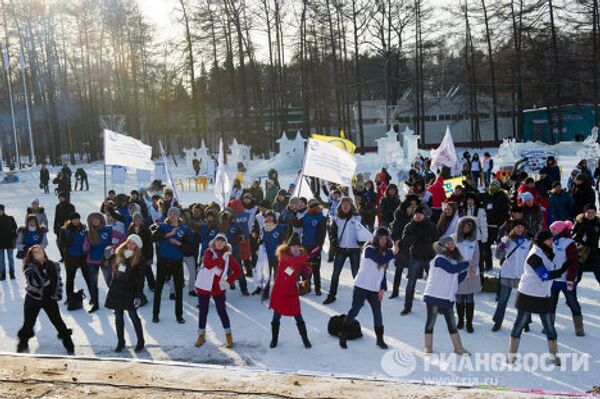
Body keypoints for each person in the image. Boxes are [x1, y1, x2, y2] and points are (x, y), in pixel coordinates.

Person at [508, 231, 569, 365]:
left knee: (549, 327)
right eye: (549, 240)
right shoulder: (534, 255)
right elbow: (544, 276)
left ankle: (554, 357)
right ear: (542, 241)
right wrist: (562, 270)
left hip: (543, 294)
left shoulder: (546, 252)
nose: (552, 242)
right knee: (519, 325)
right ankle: (511, 356)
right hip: (527, 294)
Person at [339, 228, 396, 349]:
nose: (383, 241)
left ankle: (380, 339)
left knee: (377, 313)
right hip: (361, 286)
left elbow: (382, 272)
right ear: (375, 238)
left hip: (374, 288)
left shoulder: (386, 252)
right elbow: (380, 260)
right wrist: (393, 253)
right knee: (355, 309)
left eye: (385, 238)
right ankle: (343, 334)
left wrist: (382, 289)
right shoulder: (368, 249)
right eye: (381, 238)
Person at [16, 245, 74, 354]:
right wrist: (42, 271)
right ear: (31, 255)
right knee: (28, 323)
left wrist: (57, 294)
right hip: (33, 299)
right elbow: (35, 282)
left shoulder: (54, 265)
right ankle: (22, 345)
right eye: (35, 252)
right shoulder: (29, 267)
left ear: (43, 252)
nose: (38, 254)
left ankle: (69, 346)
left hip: (49, 299)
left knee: (58, 322)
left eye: (40, 251)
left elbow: (59, 281)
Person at [422, 235, 470, 355]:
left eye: (452, 243)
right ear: (442, 246)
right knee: (430, 322)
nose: (451, 245)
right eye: (448, 244)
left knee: (452, 323)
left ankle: (458, 348)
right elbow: (452, 269)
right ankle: (428, 347)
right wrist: (466, 264)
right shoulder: (439, 259)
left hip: (447, 297)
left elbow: (455, 279)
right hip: (434, 296)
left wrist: (466, 273)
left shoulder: (454, 260)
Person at [269, 233, 318, 349]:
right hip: (280, 290)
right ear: (288, 247)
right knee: (276, 316)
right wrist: (307, 257)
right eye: (293, 246)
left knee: (297, 315)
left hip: (291, 291)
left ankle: (305, 339)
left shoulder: (300, 258)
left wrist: (307, 270)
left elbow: (303, 268)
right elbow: (292, 263)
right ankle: (274, 339)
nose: (295, 248)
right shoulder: (284, 257)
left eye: (297, 246)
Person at [194, 234, 242, 349]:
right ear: (214, 242)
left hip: (217, 287)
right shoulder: (209, 252)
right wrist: (221, 258)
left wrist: (228, 281)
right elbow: (208, 264)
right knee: (203, 311)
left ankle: (228, 336)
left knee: (222, 311)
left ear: (225, 244)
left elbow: (238, 270)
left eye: (222, 242)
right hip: (204, 285)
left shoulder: (228, 256)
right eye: (218, 241)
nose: (219, 244)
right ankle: (201, 335)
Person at [105, 235, 146, 352]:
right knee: (118, 316)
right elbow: (107, 263)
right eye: (129, 242)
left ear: (137, 246)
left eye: (133, 244)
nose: (130, 245)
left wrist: (138, 295)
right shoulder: (120, 254)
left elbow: (141, 278)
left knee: (133, 316)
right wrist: (108, 256)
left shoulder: (139, 259)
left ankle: (141, 341)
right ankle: (121, 341)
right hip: (117, 289)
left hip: (130, 291)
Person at [150, 207, 191, 324]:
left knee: (179, 289)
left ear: (178, 216)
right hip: (163, 261)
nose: (172, 215)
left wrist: (177, 242)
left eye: (175, 213)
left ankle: (179, 315)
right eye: (170, 213)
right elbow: (152, 238)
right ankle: (155, 314)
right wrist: (168, 235)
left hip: (177, 262)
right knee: (158, 289)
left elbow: (188, 248)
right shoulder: (162, 226)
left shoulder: (184, 229)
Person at [492, 220, 532, 332]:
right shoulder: (506, 240)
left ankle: (525, 322)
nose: (519, 229)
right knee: (503, 299)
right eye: (517, 227)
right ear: (513, 228)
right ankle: (497, 322)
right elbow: (498, 256)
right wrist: (501, 247)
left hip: (523, 275)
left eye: (521, 227)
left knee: (524, 300)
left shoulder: (528, 242)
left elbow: (532, 258)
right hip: (508, 273)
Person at [83, 212, 126, 313]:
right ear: (90, 222)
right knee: (93, 283)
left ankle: (116, 303)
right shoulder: (88, 232)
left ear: (101, 219)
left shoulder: (108, 229)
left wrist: (113, 248)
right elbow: (85, 247)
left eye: (97, 219)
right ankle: (95, 304)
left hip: (105, 260)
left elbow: (123, 237)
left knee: (109, 282)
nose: (95, 221)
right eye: (93, 220)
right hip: (92, 260)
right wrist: (86, 246)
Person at [401, 205, 439, 315]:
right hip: (415, 257)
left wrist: (435, 255)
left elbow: (437, 242)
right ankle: (407, 307)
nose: (418, 216)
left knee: (433, 283)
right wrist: (415, 236)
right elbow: (405, 242)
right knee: (411, 283)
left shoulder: (431, 226)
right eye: (416, 214)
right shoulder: (410, 226)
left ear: (424, 215)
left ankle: (436, 306)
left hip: (429, 257)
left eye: (420, 214)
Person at [324, 197, 363, 304]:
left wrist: (362, 242)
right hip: (341, 249)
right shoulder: (337, 219)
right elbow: (332, 233)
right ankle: (331, 295)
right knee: (335, 273)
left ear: (351, 206)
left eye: (347, 204)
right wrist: (334, 243)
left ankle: (359, 297)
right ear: (340, 206)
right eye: (343, 204)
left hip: (354, 249)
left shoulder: (357, 218)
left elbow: (363, 233)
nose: (345, 206)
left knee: (356, 274)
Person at [548, 221, 584, 337]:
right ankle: (549, 326)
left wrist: (570, 278)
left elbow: (574, 263)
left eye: (553, 229)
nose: (551, 231)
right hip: (553, 279)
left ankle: (579, 327)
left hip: (566, 280)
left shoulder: (569, 243)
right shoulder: (551, 241)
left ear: (559, 230)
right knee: (551, 303)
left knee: (572, 302)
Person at [291, 199, 326, 296]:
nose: (313, 208)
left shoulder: (321, 218)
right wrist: (294, 213)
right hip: (305, 246)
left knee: (315, 268)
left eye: (315, 206)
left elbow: (322, 235)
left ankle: (317, 289)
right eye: (311, 206)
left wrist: (318, 246)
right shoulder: (306, 215)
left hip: (315, 247)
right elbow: (297, 224)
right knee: (305, 268)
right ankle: (306, 287)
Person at [453, 217, 481, 333]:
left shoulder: (473, 241)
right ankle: (460, 319)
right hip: (458, 272)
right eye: (464, 227)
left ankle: (469, 322)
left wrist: (473, 269)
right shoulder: (453, 239)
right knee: (459, 298)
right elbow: (450, 254)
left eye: (469, 227)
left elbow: (476, 255)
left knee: (469, 298)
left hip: (471, 273)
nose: (466, 229)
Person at [58, 212, 92, 305]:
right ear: (71, 220)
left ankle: (93, 297)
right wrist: (69, 243)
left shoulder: (83, 228)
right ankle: (69, 298)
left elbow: (88, 239)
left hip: (82, 256)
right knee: (70, 278)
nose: (76, 220)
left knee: (88, 277)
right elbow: (61, 244)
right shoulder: (64, 229)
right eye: (74, 219)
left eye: (78, 218)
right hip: (70, 257)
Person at [480, 180, 509, 271]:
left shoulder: (502, 196)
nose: (492, 187)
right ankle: (488, 265)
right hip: (487, 226)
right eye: (491, 185)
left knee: (502, 246)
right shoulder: (486, 195)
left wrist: (501, 223)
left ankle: (504, 265)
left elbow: (505, 211)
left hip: (498, 226)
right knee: (485, 246)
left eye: (494, 186)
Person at [572, 203, 600, 286]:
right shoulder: (579, 223)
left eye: (593, 212)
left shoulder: (598, 223)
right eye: (588, 212)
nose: (590, 214)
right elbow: (573, 238)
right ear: (584, 213)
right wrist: (580, 238)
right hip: (581, 254)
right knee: (576, 278)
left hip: (594, 253)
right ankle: (571, 297)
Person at [0, 205, 18, 280]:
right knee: (1, 259)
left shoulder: (10, 218)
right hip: (0, 242)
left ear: (3, 210)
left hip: (9, 241)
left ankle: (12, 273)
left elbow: (15, 227)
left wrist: (13, 236)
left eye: (1, 210)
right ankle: (2, 273)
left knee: (10, 258)